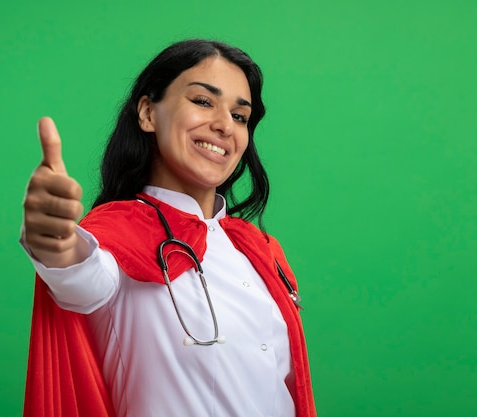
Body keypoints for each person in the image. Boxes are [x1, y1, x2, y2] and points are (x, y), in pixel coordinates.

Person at [21, 39, 316, 417]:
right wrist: (52, 238)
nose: (225, 125)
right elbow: (78, 276)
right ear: (147, 113)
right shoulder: (114, 236)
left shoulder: (259, 250)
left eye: (240, 116)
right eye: (203, 101)